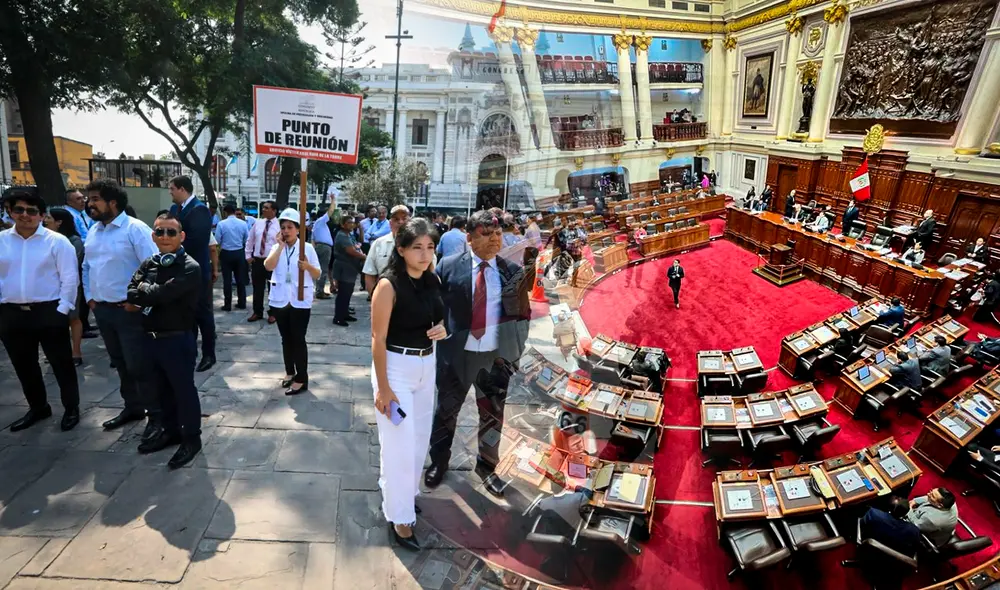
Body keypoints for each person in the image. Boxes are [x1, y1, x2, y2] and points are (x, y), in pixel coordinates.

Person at [425, 210, 531, 498]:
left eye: (497, 233)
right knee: (446, 413)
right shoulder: (447, 267)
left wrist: (513, 358)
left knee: (493, 417)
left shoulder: (512, 272)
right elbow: (433, 309)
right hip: (456, 360)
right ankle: (439, 461)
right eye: (487, 233)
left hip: (495, 362)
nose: (495, 238)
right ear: (469, 238)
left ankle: (487, 467)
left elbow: (522, 318)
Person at [370, 218, 447, 552]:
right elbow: (378, 338)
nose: (424, 253)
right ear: (400, 250)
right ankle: (400, 518)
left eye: (430, 247)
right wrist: (384, 388)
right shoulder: (388, 286)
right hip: (396, 369)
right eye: (417, 247)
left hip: (425, 366)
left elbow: (439, 319)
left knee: (417, 441)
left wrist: (442, 329)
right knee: (399, 444)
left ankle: (403, 494)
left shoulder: (433, 280)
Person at [83, 180, 161, 437]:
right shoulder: (94, 231)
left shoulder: (135, 229)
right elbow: (87, 267)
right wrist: (90, 298)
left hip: (129, 312)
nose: (90, 204)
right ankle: (133, 407)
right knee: (120, 363)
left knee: (140, 366)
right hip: (103, 311)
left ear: (112, 202)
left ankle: (156, 416)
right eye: (89, 198)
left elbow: (154, 268)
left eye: (95, 198)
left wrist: (137, 301)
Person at [126, 213, 204, 467]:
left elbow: (157, 295)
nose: (165, 237)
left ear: (181, 236)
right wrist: (147, 293)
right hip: (150, 339)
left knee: (184, 391)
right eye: (160, 232)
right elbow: (131, 292)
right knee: (161, 391)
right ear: (153, 236)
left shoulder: (190, 267)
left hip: (177, 339)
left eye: (171, 232)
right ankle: (171, 432)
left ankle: (192, 438)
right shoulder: (150, 262)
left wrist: (146, 292)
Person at [0, 191, 81, 432]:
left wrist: (62, 310)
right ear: (10, 212)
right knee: (24, 365)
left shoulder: (57, 242)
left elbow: (69, 278)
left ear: (42, 215)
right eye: (19, 210)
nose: (25, 215)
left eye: (32, 211)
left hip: (48, 311)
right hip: (11, 313)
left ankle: (71, 407)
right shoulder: (2, 240)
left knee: (61, 363)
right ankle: (38, 407)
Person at [264, 208, 322, 395]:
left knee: (298, 339)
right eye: (283, 227)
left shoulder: (307, 248)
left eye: (290, 227)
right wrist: (280, 247)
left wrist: (307, 266)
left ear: (298, 229)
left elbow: (318, 274)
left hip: (299, 300)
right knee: (285, 339)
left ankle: (301, 378)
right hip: (280, 299)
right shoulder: (276, 248)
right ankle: (290, 372)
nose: (286, 231)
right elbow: (268, 266)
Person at [168, 176, 216, 372]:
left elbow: (196, 241)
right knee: (183, 313)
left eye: (172, 188)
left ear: (182, 189)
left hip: (196, 270)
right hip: (177, 270)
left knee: (202, 314)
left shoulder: (200, 210)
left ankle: (208, 354)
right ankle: (188, 351)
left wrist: (171, 245)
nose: (170, 192)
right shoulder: (173, 210)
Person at [44, 208, 86, 366]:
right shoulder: (44, 239)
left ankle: (76, 352)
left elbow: (71, 266)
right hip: (49, 287)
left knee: (73, 318)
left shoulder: (74, 241)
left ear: (59, 222)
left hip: (70, 285)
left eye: (48, 217)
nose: (45, 220)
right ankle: (54, 353)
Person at [363, 205, 411, 296]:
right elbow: (369, 275)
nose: (400, 222)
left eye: (404, 219)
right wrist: (376, 298)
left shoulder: (420, 244)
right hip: (384, 299)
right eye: (396, 219)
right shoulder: (379, 244)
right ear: (390, 223)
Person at [245, 200, 279, 323]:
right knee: (257, 288)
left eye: (266, 208)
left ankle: (273, 313)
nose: (263, 210)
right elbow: (250, 240)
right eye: (263, 207)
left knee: (273, 288)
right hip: (258, 261)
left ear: (274, 210)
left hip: (273, 262)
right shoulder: (258, 223)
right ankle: (257, 312)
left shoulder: (279, 225)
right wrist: (248, 255)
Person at [332, 214, 366, 326]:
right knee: (343, 293)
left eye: (353, 222)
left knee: (348, 292)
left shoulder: (348, 235)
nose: (352, 224)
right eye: (349, 222)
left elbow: (357, 245)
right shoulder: (342, 236)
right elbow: (351, 251)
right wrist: (365, 257)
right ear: (343, 224)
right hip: (344, 266)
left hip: (350, 267)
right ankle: (338, 317)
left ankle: (344, 313)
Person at [215, 204, 250, 311]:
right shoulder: (243, 224)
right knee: (240, 279)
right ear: (235, 211)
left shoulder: (221, 224)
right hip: (239, 252)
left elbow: (217, 240)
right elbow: (246, 239)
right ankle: (242, 302)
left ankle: (227, 304)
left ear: (225, 212)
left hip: (226, 253)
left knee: (227, 280)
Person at [312, 204, 335, 299]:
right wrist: (333, 200)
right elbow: (330, 211)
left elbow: (312, 240)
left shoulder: (316, 225)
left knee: (320, 269)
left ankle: (319, 289)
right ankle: (320, 291)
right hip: (324, 247)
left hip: (318, 246)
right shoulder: (321, 221)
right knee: (324, 269)